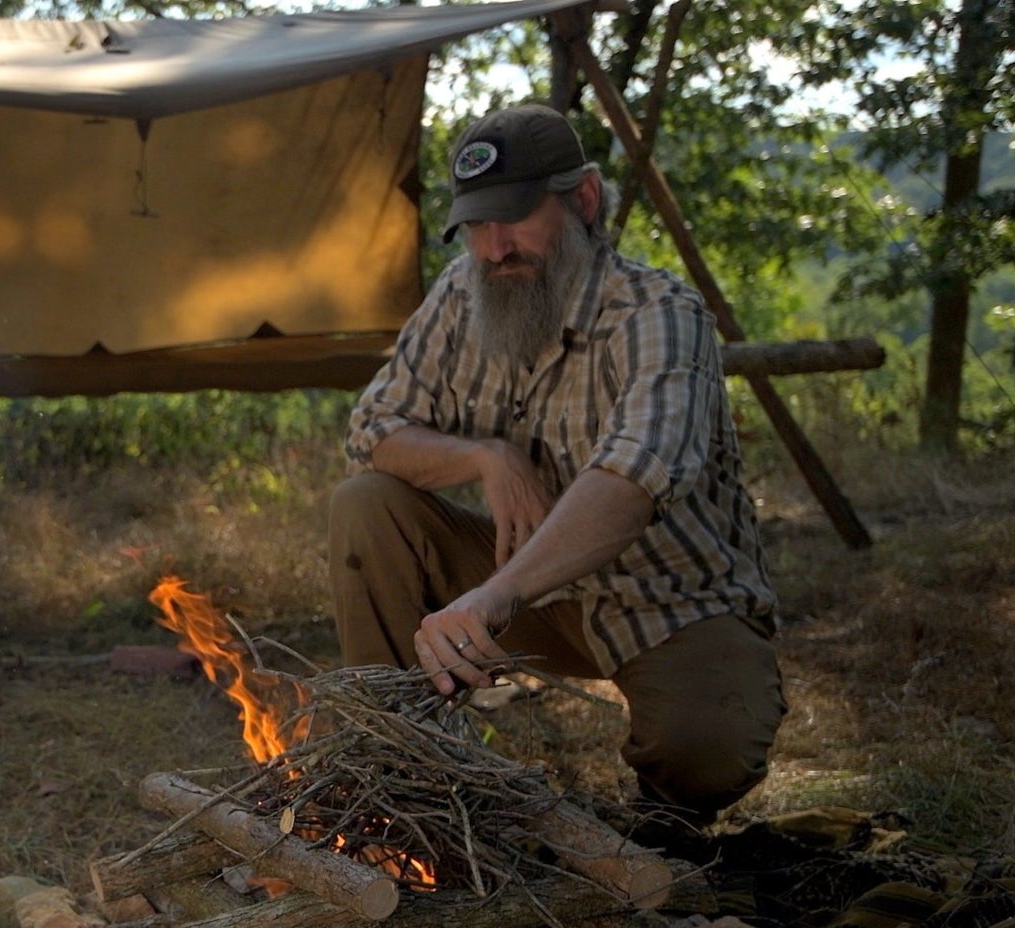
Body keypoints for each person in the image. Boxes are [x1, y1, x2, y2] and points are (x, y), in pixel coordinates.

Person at [328, 102, 785, 825]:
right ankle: (400, 773)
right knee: (365, 501)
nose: (493, 247)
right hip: (527, 588)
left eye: (514, 217)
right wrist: (486, 455)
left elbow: (631, 480)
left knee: (707, 748)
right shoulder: (460, 294)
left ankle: (659, 836)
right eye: (476, 224)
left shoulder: (660, 312)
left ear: (584, 200)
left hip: (668, 598)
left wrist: (496, 594)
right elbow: (372, 431)